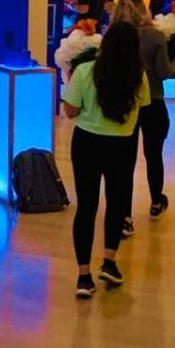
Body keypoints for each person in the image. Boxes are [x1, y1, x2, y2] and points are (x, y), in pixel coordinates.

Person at [63, 20, 150, 298]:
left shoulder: (85, 71)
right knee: (117, 203)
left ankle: (83, 275)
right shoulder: (139, 77)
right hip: (123, 146)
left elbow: (70, 112)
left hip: (87, 143)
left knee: (86, 206)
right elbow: (142, 109)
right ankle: (110, 261)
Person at [112, 0, 175, 231]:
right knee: (154, 155)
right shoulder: (154, 36)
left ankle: (125, 217)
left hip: (125, 103)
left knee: (124, 161)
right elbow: (164, 72)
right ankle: (155, 201)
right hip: (153, 102)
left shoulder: (114, 35)